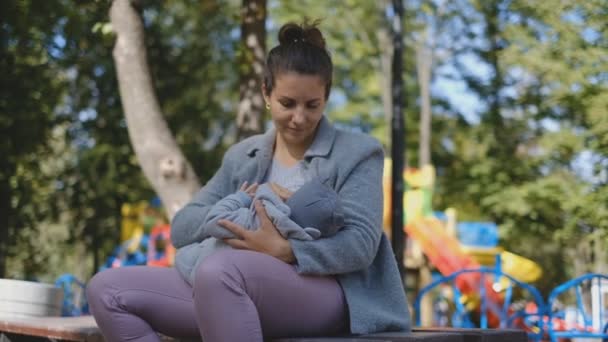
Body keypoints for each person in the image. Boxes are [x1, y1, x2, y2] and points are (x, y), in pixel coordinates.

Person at [86, 20, 411, 342]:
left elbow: (360, 246)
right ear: (266, 93)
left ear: (326, 96)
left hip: (332, 293)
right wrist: (236, 209)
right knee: (107, 290)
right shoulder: (244, 156)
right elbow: (183, 226)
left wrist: (286, 250)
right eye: (288, 103)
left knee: (219, 270)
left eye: (312, 105)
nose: (299, 117)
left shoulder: (358, 153)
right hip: (229, 286)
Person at [175, 179, 345, 285]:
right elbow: (180, 229)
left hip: (197, 269)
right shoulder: (304, 239)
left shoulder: (256, 218)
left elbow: (214, 221)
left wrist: (240, 198)